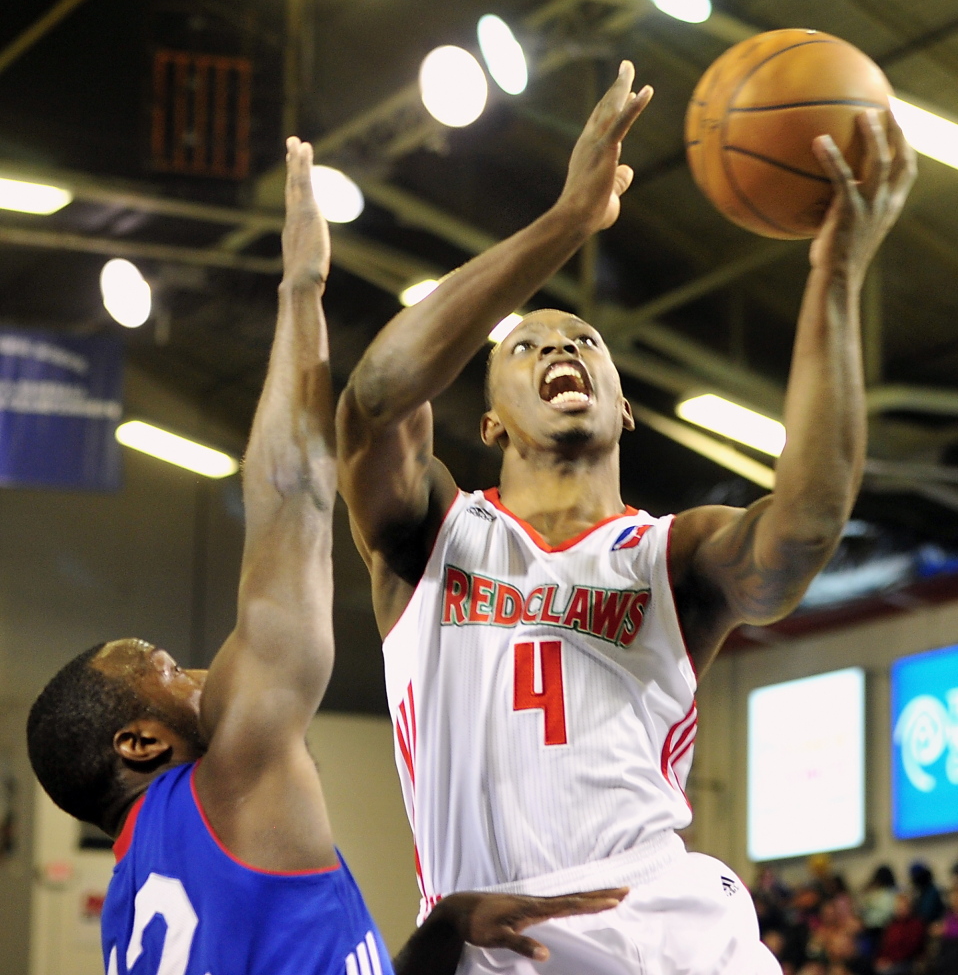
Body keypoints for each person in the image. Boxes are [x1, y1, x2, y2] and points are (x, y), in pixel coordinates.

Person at [337, 56, 916, 975]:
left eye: (583, 341)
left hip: (668, 934)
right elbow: (373, 397)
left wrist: (836, 276)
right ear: (488, 422)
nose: (559, 347)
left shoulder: (673, 557)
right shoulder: (431, 536)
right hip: (493, 944)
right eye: (527, 345)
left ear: (624, 405)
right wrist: (566, 223)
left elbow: (803, 526)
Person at [25, 138, 628, 975]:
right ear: (139, 744)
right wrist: (301, 292)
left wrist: (448, 926)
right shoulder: (228, 783)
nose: (196, 668)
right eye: (162, 666)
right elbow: (292, 494)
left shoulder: (132, 903)